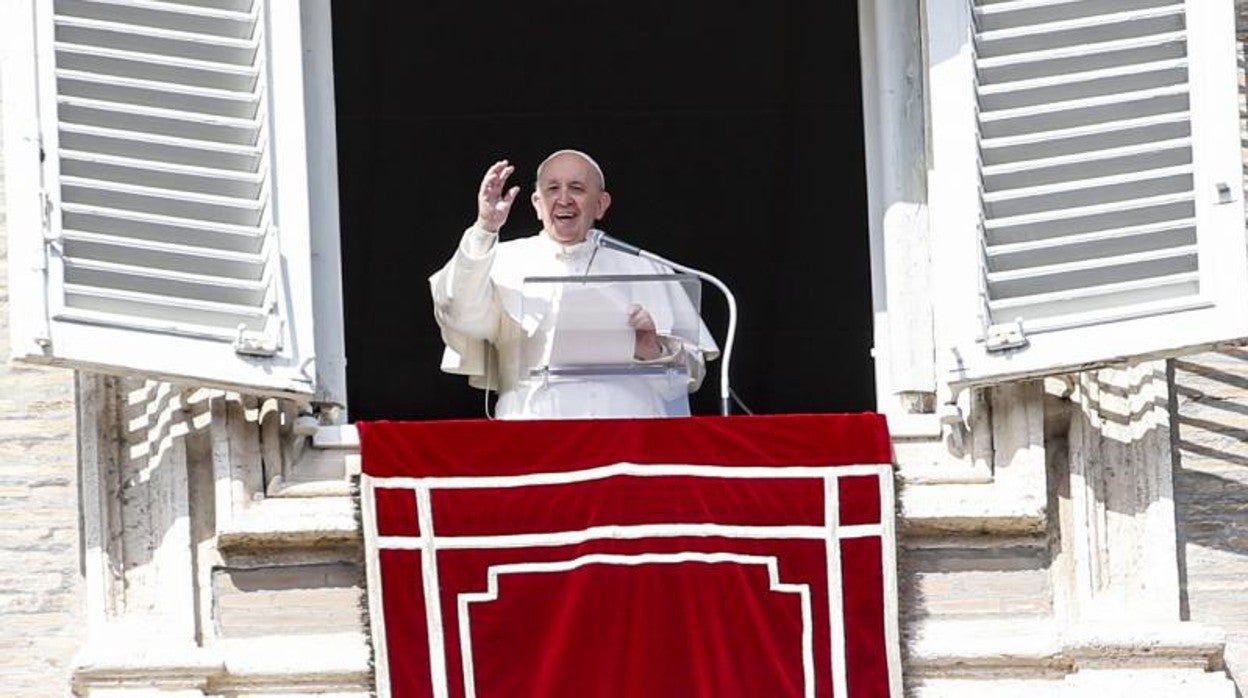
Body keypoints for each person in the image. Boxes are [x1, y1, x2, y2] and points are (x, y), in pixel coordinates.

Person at [429, 149, 718, 419]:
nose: (564, 199)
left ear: (601, 204)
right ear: (537, 204)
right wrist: (484, 228)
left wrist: (651, 350)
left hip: (628, 439)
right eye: (552, 189)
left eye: (577, 188)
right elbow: (459, 315)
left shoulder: (646, 267)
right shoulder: (501, 260)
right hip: (534, 437)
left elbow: (689, 380)